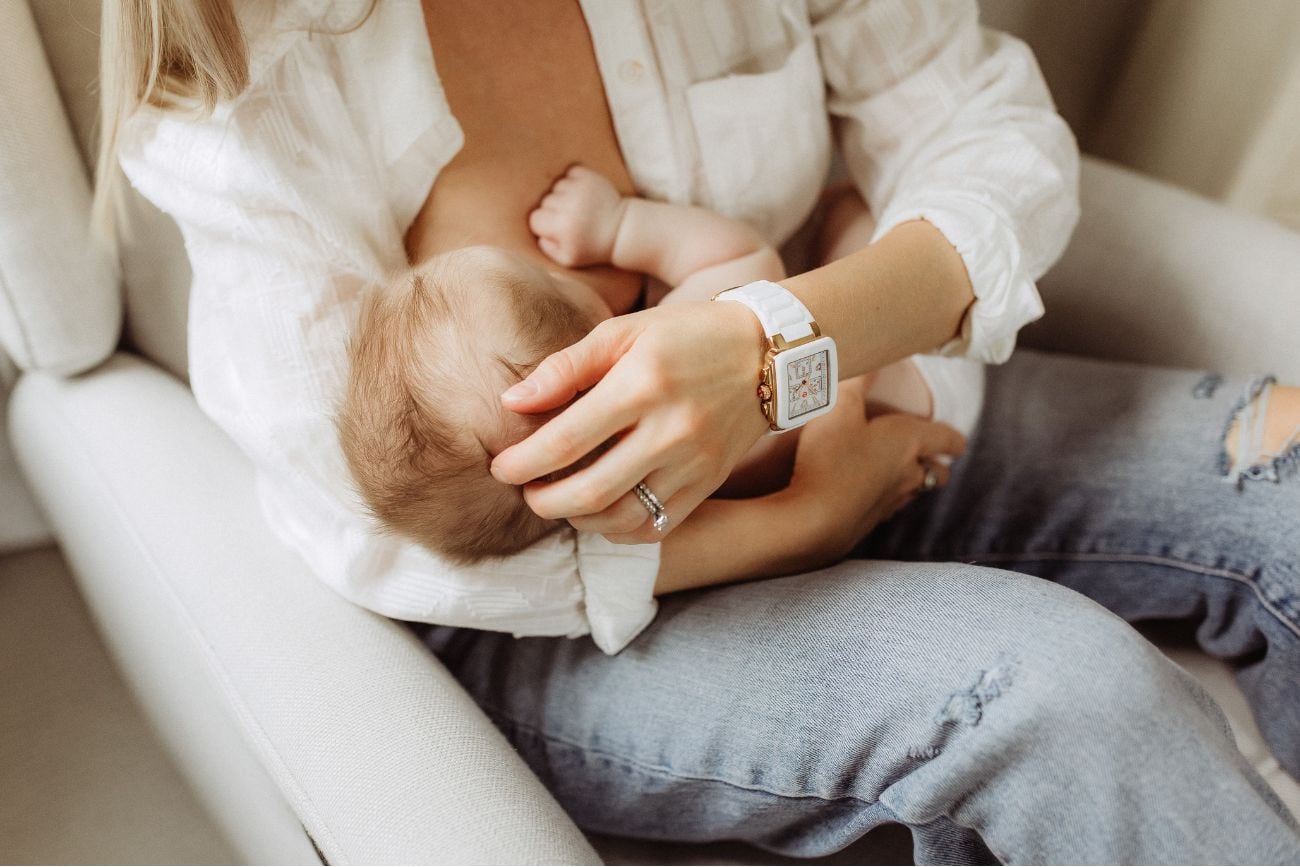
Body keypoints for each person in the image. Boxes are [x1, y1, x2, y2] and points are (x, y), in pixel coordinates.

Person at [98, 0, 1300, 861]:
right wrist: (800, 519)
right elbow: (365, 519)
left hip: (869, 396)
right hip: (554, 608)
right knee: (1060, 694)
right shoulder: (252, 69)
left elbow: (980, 127)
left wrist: (788, 341)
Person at [337, 165, 976, 568]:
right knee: (849, 216)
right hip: (915, 375)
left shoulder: (630, 518)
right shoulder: (686, 359)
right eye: (545, 278)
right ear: (589, 352)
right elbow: (746, 258)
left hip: (877, 462)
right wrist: (620, 227)